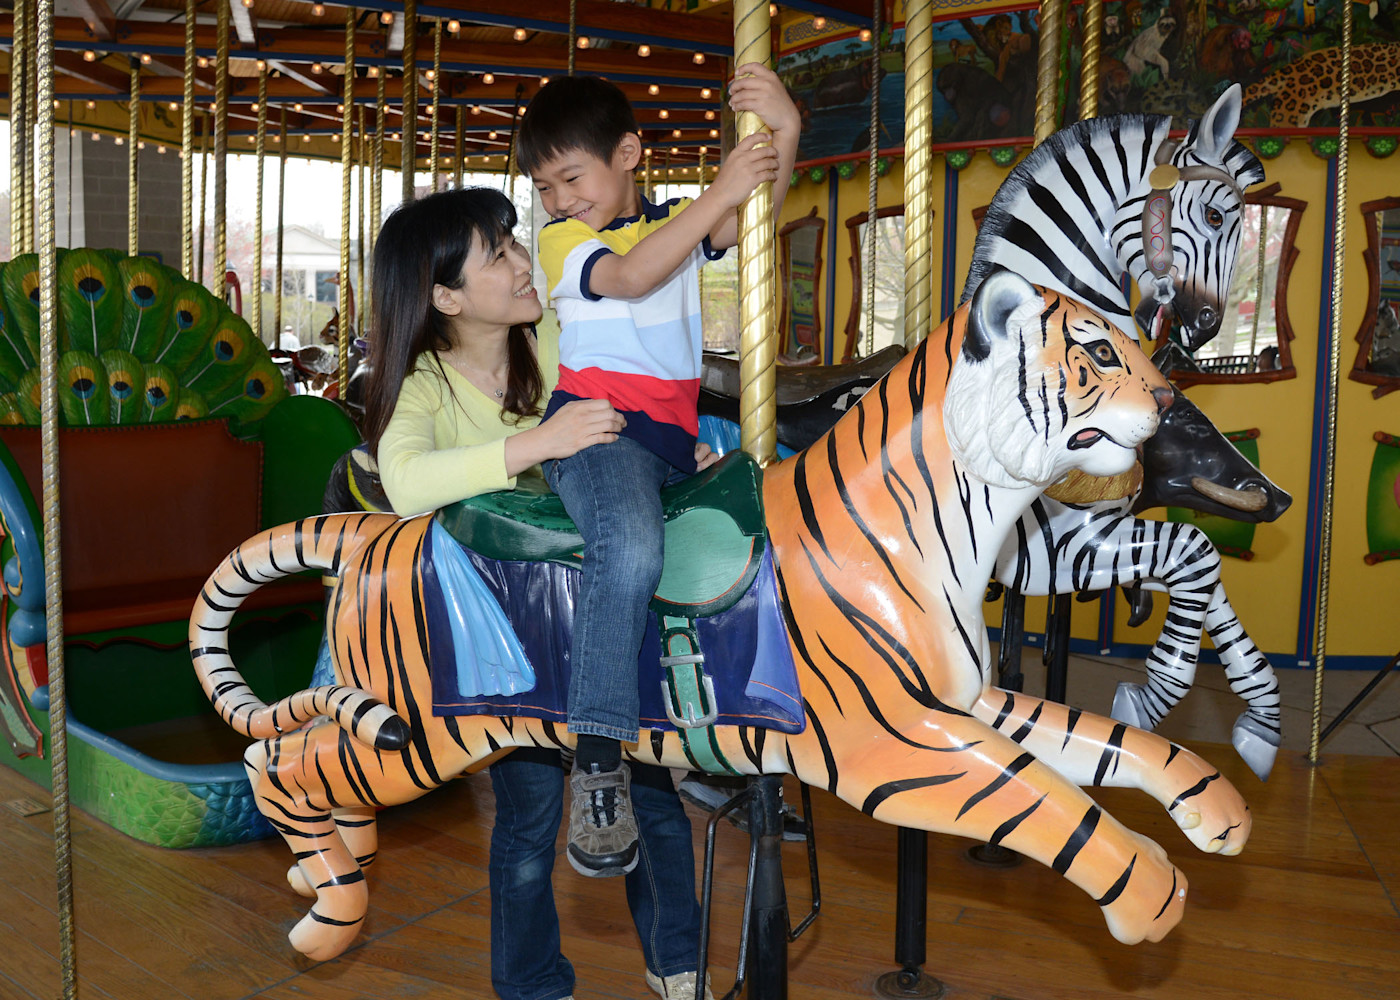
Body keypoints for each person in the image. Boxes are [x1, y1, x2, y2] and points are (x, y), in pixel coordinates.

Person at [363, 187, 713, 1000]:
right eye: (501, 255)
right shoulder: (428, 386)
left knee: (655, 806)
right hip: (516, 643)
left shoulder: (560, 337)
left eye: (519, 245)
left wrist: (669, 453)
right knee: (525, 822)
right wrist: (537, 443)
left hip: (610, 632)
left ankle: (679, 970)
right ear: (446, 296)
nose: (526, 263)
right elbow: (404, 477)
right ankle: (530, 985)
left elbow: (639, 393)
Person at [516, 67, 800, 880]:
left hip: (671, 442)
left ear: (629, 155)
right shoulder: (568, 244)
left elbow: (759, 213)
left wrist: (786, 130)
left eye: (573, 177)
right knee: (633, 549)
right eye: (544, 186)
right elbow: (634, 277)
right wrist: (721, 189)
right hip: (595, 434)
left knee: (755, 544)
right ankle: (598, 756)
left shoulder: (675, 226)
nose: (559, 198)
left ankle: (724, 731)